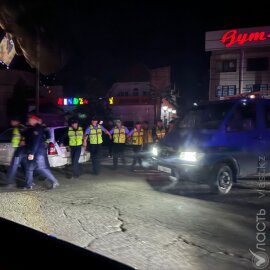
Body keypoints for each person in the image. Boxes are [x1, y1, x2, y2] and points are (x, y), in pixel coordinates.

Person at [24, 114, 59, 189]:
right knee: (29, 168)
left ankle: (54, 181)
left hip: (38, 152)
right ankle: (28, 185)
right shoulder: (32, 128)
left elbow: (36, 141)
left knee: (41, 167)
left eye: (30, 119)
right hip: (33, 151)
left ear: (34, 120)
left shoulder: (38, 128)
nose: (29, 120)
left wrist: (32, 153)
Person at [6, 117, 26, 186]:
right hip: (19, 148)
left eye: (12, 121)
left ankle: (10, 182)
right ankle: (29, 181)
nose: (11, 123)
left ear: (16, 121)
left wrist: (22, 141)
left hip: (19, 148)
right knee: (24, 165)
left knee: (13, 165)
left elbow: (24, 135)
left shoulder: (20, 127)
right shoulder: (17, 127)